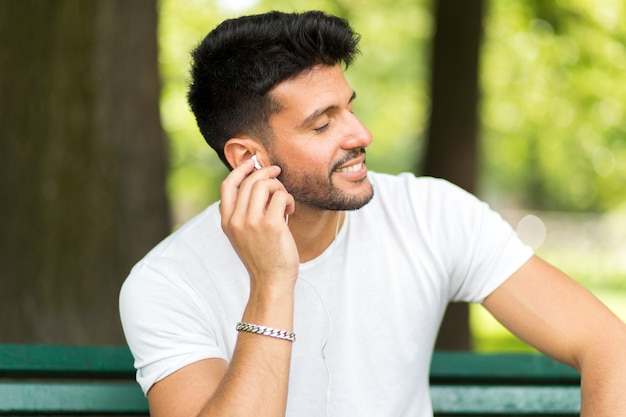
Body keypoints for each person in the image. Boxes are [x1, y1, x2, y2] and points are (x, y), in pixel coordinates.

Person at [119, 10, 626, 417]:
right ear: (249, 158)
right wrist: (272, 284)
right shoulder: (167, 284)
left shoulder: (431, 214)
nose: (360, 135)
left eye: (349, 107)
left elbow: (609, 345)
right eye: (322, 124)